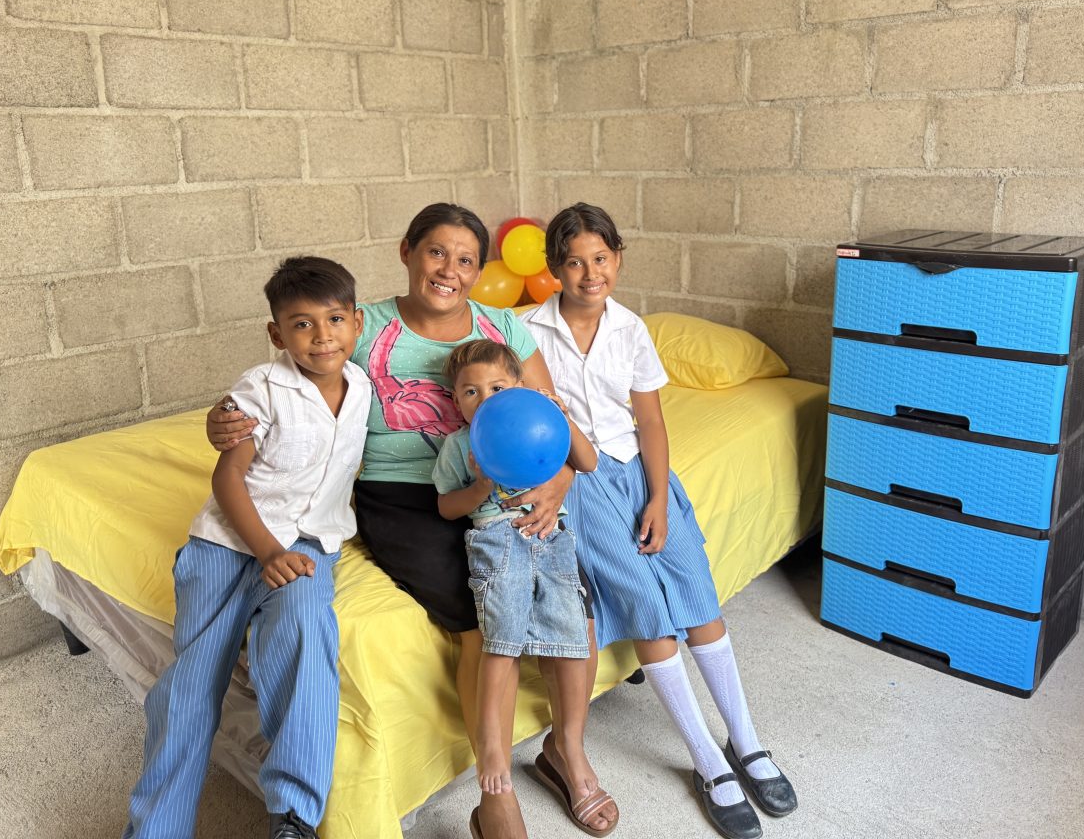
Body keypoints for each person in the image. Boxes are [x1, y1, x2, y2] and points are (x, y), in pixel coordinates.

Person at [206, 204, 619, 839]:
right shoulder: (361, 323)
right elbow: (283, 379)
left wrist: (559, 482)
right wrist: (225, 417)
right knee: (479, 616)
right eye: (436, 252)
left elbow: (551, 417)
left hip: (507, 492)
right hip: (403, 497)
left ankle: (567, 752)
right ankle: (495, 791)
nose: (449, 269)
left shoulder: (504, 327)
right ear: (407, 251)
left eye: (466, 259)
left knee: (577, 603)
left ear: (480, 269)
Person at [521, 204, 798, 839]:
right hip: (582, 483)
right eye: (574, 262)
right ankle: (708, 764)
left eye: (601, 258)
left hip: (641, 475)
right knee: (648, 604)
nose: (590, 273)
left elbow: (649, 420)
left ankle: (745, 742)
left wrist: (658, 500)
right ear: (554, 269)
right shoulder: (528, 332)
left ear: (617, 258)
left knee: (697, 593)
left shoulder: (631, 328)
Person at [124, 256, 371, 839]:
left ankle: (294, 816)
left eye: (335, 320)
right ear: (277, 334)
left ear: (357, 323)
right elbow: (228, 477)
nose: (322, 336)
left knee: (305, 627)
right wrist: (266, 553)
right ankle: (155, 829)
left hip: (309, 541)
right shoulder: (259, 389)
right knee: (192, 684)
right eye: (302, 324)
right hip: (228, 544)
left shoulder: (361, 387)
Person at [433, 339, 597, 818]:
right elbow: (446, 507)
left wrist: (560, 415)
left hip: (551, 537)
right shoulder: (460, 445)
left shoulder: (541, 423)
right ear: (456, 400)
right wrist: (481, 485)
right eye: (470, 392)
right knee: (501, 640)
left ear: (521, 388)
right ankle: (493, 750)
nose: (485, 399)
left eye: (497, 388)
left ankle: (570, 745)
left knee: (572, 639)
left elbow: (587, 462)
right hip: (496, 541)